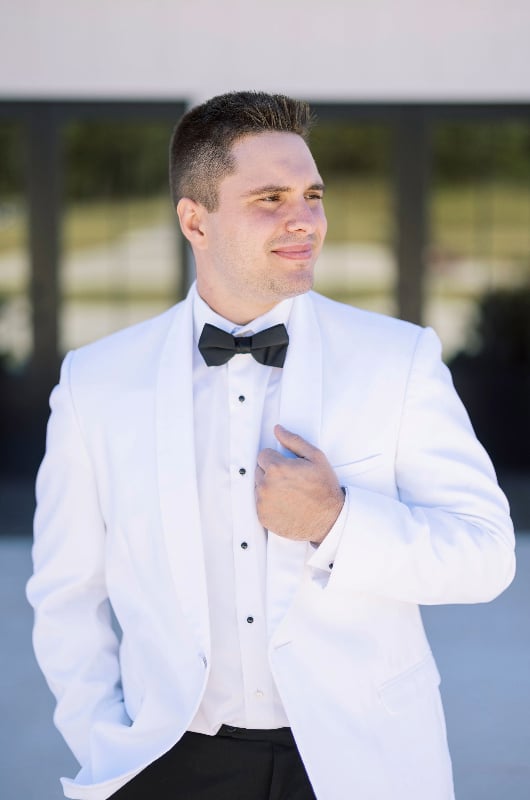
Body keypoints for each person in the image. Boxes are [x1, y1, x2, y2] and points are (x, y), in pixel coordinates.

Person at [27, 91, 515, 800]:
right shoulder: (96, 384)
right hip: (168, 765)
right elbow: (69, 594)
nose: (305, 220)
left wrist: (335, 522)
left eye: (313, 195)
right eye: (270, 197)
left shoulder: (397, 360)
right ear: (195, 219)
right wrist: (106, 739)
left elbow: (486, 557)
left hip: (361, 767)